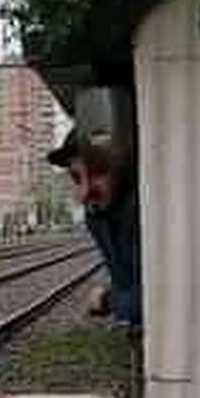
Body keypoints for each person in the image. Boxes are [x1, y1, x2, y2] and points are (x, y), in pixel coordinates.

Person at [48, 127, 141, 326]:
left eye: (98, 173)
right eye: (76, 177)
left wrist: (106, 299)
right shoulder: (97, 217)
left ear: (122, 166)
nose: (84, 192)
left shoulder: (142, 211)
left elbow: (154, 299)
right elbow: (127, 283)